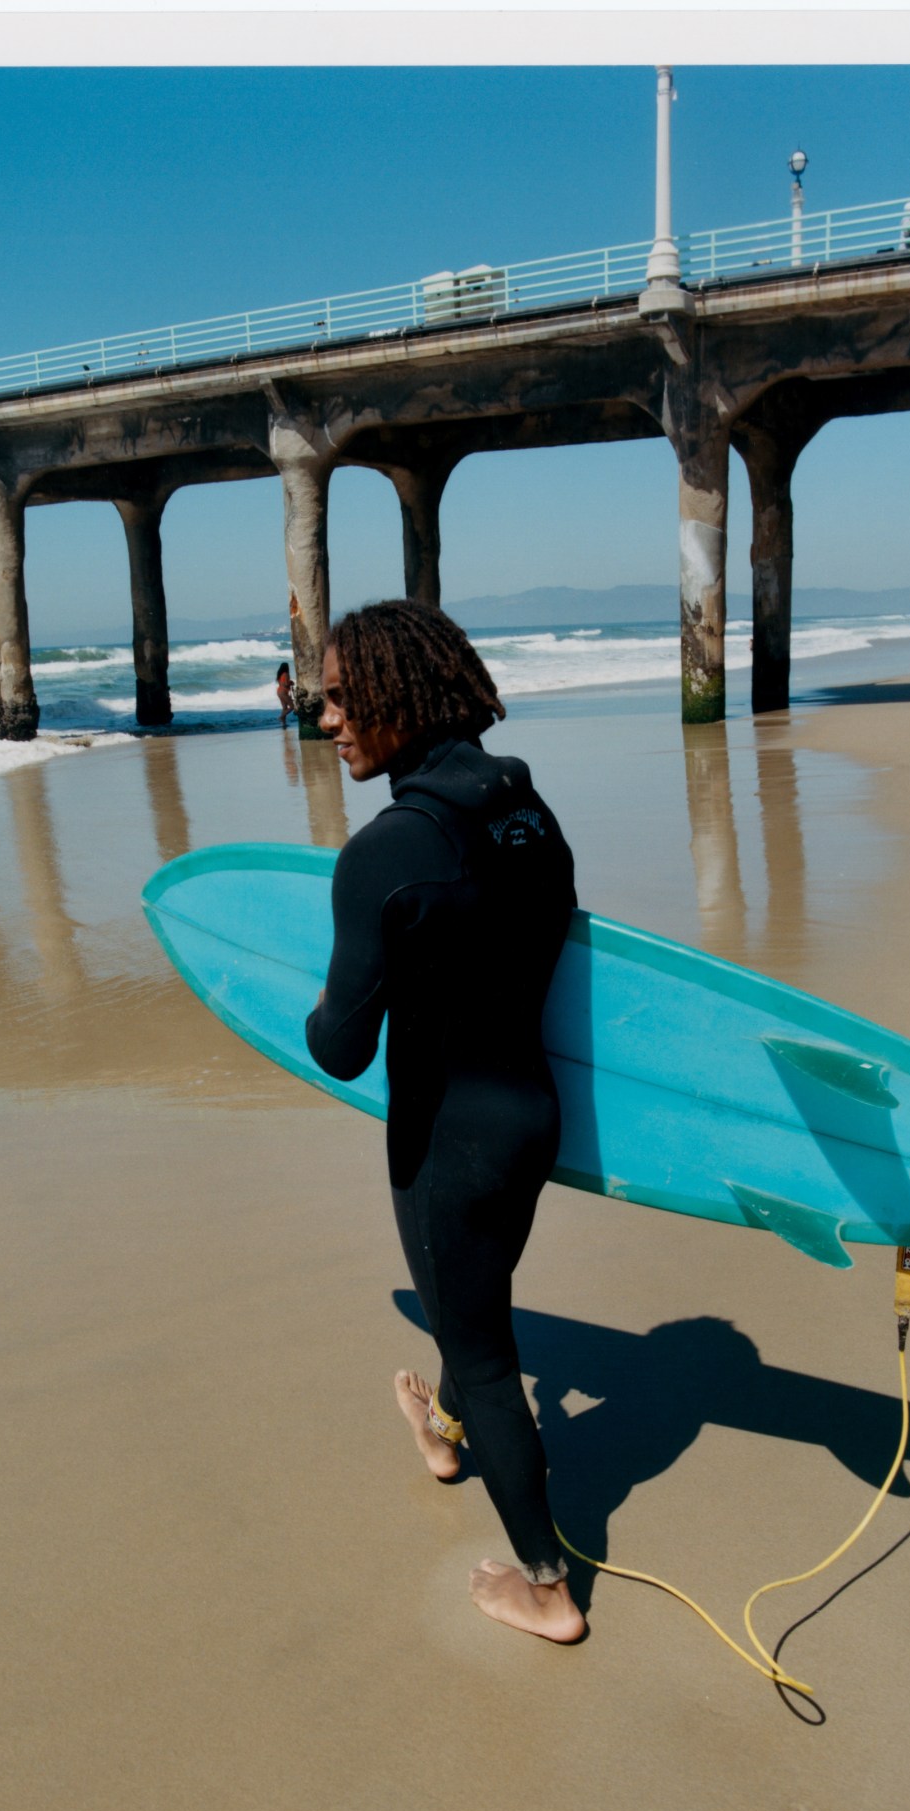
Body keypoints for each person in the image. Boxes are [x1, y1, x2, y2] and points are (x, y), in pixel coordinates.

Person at [304, 599, 585, 1643]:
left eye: (337, 697)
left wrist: (319, 998)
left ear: (391, 694)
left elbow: (340, 1044)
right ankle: (442, 1429)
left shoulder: (387, 850)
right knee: (472, 1302)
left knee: (478, 1347)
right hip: (529, 1119)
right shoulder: (524, 809)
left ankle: (546, 1586)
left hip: (445, 1138)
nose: (325, 720)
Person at [274, 661, 295, 728]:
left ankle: (283, 723)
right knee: (292, 706)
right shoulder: (286, 674)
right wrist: (291, 682)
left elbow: (282, 683)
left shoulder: (279, 675)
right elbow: (286, 684)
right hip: (283, 692)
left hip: (279, 691)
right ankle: (281, 717)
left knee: (284, 708)